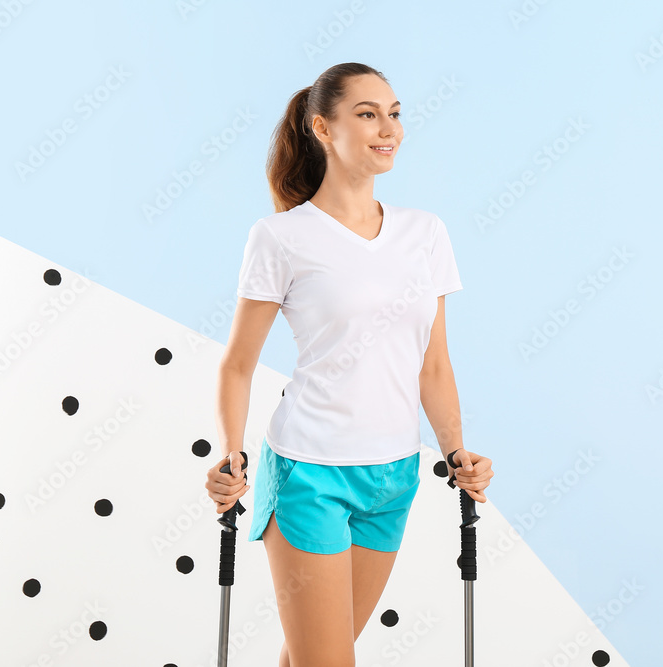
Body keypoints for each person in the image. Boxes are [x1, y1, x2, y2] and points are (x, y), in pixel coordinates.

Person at [203, 62, 494, 667]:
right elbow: (237, 365)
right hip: (310, 474)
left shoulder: (426, 233)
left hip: (393, 477)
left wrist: (457, 452)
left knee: (309, 658)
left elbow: (433, 364)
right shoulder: (281, 237)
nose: (388, 127)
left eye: (394, 112)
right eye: (367, 114)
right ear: (322, 128)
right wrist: (230, 451)